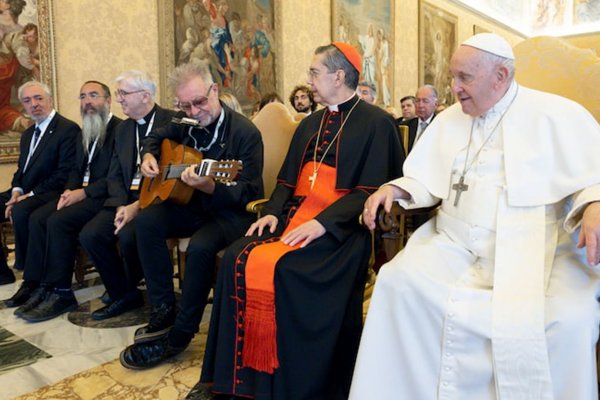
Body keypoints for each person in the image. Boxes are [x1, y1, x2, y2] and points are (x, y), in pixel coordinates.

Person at [351, 33, 600, 400]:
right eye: (453, 77)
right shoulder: (451, 119)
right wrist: (396, 189)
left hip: (538, 248)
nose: (453, 89)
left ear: (501, 76)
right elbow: (424, 176)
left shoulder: (557, 115)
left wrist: (594, 205)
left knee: (568, 321)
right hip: (454, 245)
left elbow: (590, 176)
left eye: (464, 78)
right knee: (396, 283)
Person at [187, 42, 403, 400]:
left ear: (338, 75)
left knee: (287, 272)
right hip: (293, 220)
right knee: (235, 258)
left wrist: (325, 223)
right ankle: (235, 379)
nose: (309, 81)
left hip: (341, 232)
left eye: (314, 73)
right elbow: (287, 180)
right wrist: (271, 212)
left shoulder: (377, 123)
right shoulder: (311, 123)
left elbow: (372, 190)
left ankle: (287, 383)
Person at [118, 61, 263, 370]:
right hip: (189, 204)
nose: (194, 111)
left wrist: (211, 186)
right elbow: (155, 136)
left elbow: (249, 192)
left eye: (200, 102)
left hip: (229, 213)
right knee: (145, 221)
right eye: (186, 105)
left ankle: (179, 337)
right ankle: (163, 308)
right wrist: (148, 155)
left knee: (199, 247)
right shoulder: (183, 120)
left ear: (215, 90)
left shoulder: (245, 133)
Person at [6, 81, 122, 321]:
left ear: (108, 100)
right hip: (81, 193)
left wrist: (82, 193)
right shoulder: (86, 129)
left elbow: (116, 176)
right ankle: (42, 286)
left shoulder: (120, 130)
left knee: (57, 221)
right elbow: (74, 171)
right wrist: (69, 191)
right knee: (39, 217)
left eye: (93, 95)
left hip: (105, 196)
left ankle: (62, 293)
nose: (87, 101)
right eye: (82, 97)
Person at [79, 70, 175, 320]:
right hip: (124, 200)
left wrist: (136, 206)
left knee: (132, 235)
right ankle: (123, 294)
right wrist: (122, 204)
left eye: (123, 94)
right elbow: (114, 174)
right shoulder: (123, 130)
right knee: (91, 235)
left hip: (155, 201)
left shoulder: (172, 122)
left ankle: (132, 290)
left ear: (145, 96)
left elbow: (170, 176)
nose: (118, 99)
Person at [0, 81, 79, 287]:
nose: (33, 104)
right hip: (26, 191)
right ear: (23, 107)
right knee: (15, 204)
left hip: (51, 191)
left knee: (21, 210)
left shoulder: (67, 129)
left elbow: (63, 174)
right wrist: (17, 191)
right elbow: (21, 171)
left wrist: (29, 195)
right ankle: (2, 273)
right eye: (27, 101)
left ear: (50, 100)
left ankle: (30, 275)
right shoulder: (27, 134)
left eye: (38, 98)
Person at [400, 84, 438, 153]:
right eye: (417, 101)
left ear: (435, 104)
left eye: (425, 101)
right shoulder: (405, 126)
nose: (420, 105)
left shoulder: (440, 126)